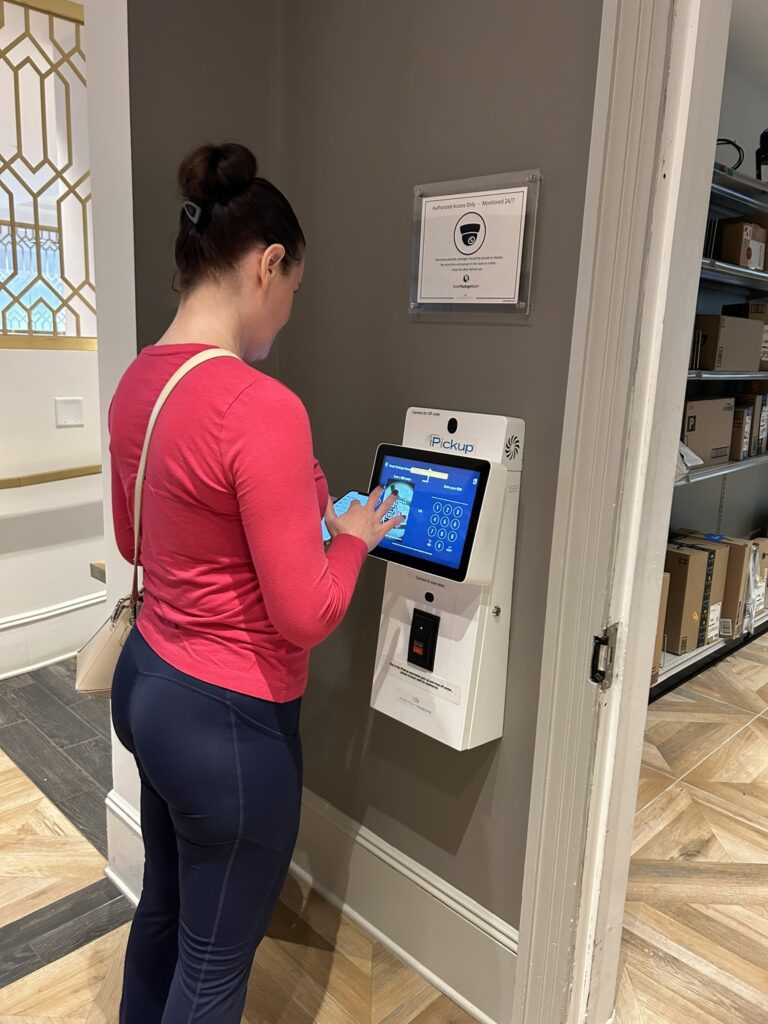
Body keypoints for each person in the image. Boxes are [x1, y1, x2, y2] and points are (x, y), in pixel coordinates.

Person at [109, 142, 403, 1024]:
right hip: (228, 730)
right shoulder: (262, 406)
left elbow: (137, 537)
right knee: (213, 969)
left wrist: (291, 521)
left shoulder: (139, 382)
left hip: (147, 687)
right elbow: (307, 612)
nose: (288, 314)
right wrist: (350, 538)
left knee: (162, 912)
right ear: (268, 264)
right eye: (294, 290)